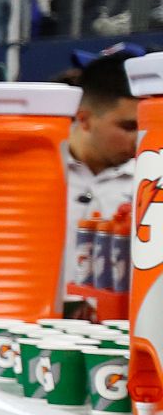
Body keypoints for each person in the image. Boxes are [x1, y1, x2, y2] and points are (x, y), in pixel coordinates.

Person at [61, 48, 139, 298]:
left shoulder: (151, 179)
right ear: (84, 120)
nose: (139, 138)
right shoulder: (36, 169)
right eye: (128, 126)